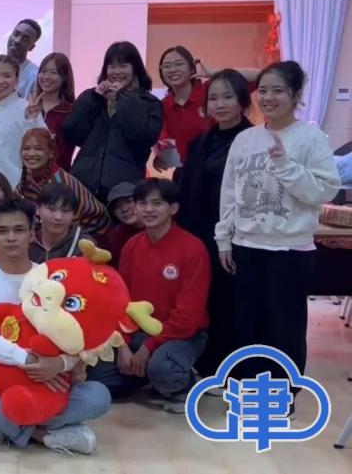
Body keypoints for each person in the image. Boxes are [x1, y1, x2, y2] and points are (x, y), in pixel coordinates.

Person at [0, 198, 110, 454]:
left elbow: (77, 332)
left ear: (32, 233)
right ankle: (40, 434)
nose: (11, 237)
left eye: (19, 230)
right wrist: (25, 359)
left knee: (99, 395)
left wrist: (61, 364)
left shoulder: (51, 276)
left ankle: (1, 424)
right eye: (3, 231)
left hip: (48, 380)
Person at [215, 61, 340, 387]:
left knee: (284, 329)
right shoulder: (245, 139)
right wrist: (224, 238)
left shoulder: (311, 138)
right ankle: (248, 391)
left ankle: (282, 394)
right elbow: (229, 192)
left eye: (278, 90)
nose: (268, 97)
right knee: (247, 326)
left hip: (290, 250)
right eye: (263, 90)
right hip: (246, 246)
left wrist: (286, 165)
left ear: (296, 95)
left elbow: (324, 191)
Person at [87, 179, 210, 413]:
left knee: (164, 370)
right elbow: (120, 301)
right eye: (142, 203)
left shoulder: (193, 249)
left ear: (173, 208)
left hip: (182, 335)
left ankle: (182, 382)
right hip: (137, 333)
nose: (148, 209)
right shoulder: (132, 246)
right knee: (97, 376)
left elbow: (187, 318)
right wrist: (123, 345)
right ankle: (146, 373)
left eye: (157, 203)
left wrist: (147, 348)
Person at [176, 70, 253, 376]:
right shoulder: (200, 142)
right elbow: (186, 189)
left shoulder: (253, 141)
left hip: (238, 235)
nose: (220, 104)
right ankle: (207, 362)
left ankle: (235, 365)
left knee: (233, 300)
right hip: (201, 232)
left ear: (243, 101)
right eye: (213, 98)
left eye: (228, 97)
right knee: (205, 298)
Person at [62, 41, 163, 200]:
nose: (116, 72)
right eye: (111, 66)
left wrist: (124, 98)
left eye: (123, 66)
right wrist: (93, 98)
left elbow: (141, 138)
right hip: (82, 190)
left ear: (135, 69)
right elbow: (71, 132)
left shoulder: (149, 103)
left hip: (123, 195)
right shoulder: (94, 98)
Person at [17, 128, 110, 234]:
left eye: (38, 149)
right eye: (26, 148)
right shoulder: (27, 177)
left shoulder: (59, 181)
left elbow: (66, 220)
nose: (31, 153)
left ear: (51, 153)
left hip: (89, 233)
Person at [0, 54, 47, 189]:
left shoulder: (26, 108)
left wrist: (32, 121)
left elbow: (44, 145)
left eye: (7, 76)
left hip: (16, 187)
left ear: (17, 79)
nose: (0, 81)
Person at [0, 18, 42, 104]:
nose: (17, 40)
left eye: (25, 39)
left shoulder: (35, 75)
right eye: (16, 34)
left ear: (31, 47)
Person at [29, 52, 76, 171]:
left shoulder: (70, 112)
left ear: (65, 77)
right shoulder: (28, 108)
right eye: (43, 71)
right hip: (27, 176)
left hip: (57, 177)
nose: (46, 77)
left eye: (53, 72)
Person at [28, 183, 94, 263]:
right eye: (51, 209)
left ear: (74, 214)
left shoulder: (85, 246)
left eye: (65, 211)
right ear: (37, 209)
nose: (58, 217)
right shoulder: (26, 238)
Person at [96, 182, 142, 268]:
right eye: (117, 206)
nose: (124, 209)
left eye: (128, 201)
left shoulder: (159, 228)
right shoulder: (113, 238)